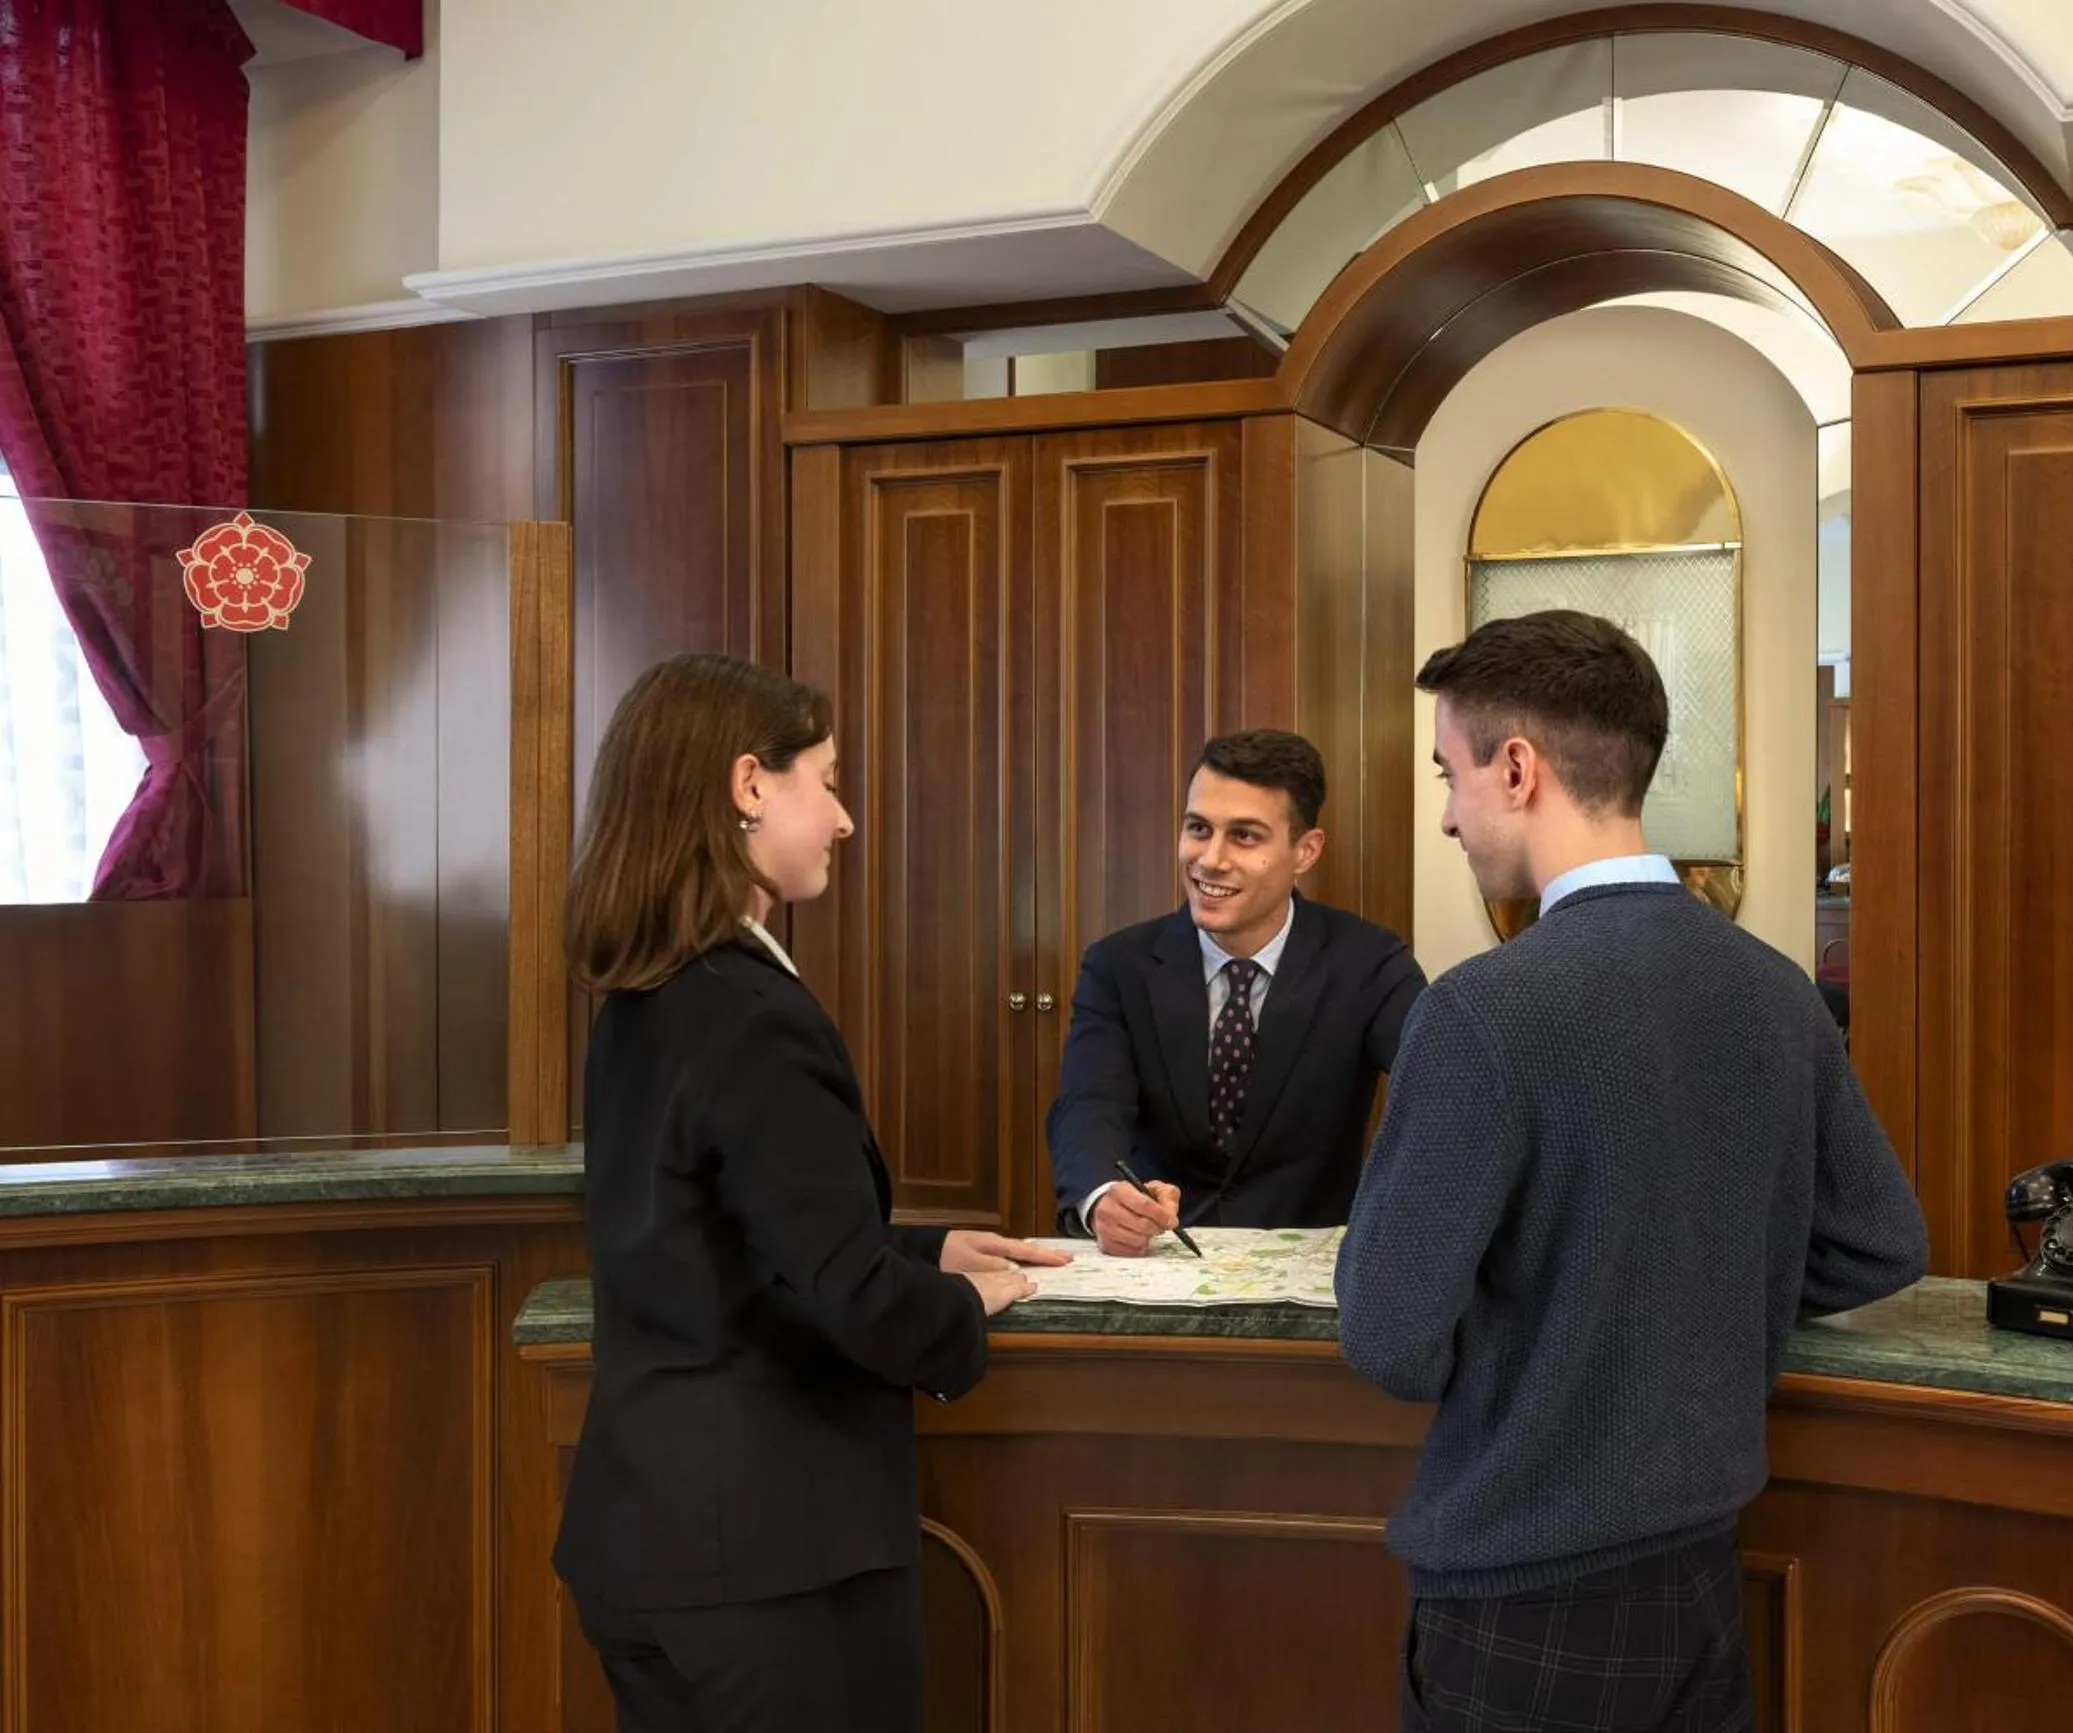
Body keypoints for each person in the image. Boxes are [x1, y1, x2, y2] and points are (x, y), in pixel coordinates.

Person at [1337, 611, 1928, 1733]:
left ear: (1516, 768)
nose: (1447, 812)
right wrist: (1692, 1284)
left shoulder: (1480, 1011)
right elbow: (1879, 1242)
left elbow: (1386, 1331)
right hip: (1700, 1574)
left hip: (1518, 1591)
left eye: (1448, 773)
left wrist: (1561, 1318)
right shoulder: (1773, 988)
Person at [551, 652, 1068, 1733]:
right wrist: (960, 1308)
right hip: (768, 1562)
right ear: (749, 784)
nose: (841, 818)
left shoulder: (647, 995)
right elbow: (845, 1296)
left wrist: (924, 1251)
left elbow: (727, 1238)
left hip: (648, 1539)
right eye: (824, 780)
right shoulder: (750, 1009)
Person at [1048, 729, 1427, 1253]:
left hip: (1310, 1264)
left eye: (1244, 836)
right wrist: (1101, 1195)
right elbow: (1088, 1105)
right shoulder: (1118, 966)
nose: (1210, 859)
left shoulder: (1370, 964)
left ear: (1305, 851)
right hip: (1161, 1257)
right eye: (1198, 828)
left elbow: (1440, 1089)